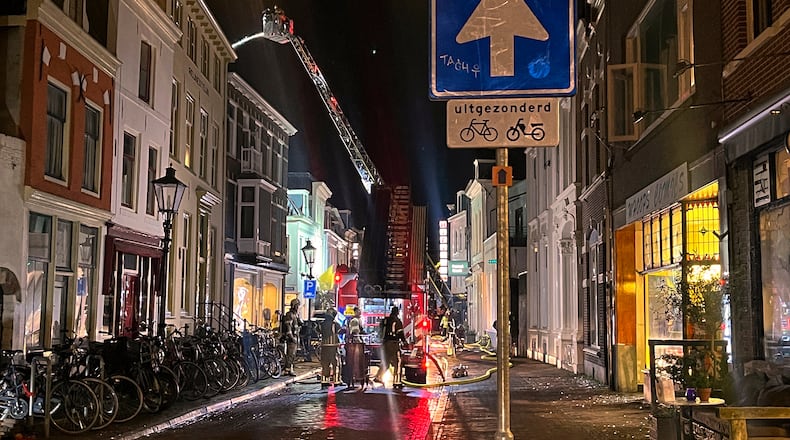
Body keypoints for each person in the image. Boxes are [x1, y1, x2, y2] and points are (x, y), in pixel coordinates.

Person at [374, 306, 407, 389]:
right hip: (393, 343)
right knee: (397, 362)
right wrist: (405, 342)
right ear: (397, 312)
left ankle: (378, 377)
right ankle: (396, 381)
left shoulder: (385, 320)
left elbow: (380, 330)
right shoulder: (397, 321)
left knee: (386, 362)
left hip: (385, 343)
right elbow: (400, 333)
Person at [320, 308, 342, 387]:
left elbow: (318, 330)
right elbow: (339, 329)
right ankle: (336, 380)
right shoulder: (335, 324)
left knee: (325, 363)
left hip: (324, 346)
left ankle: (325, 380)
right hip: (333, 346)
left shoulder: (322, 324)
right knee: (336, 363)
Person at [281, 299, 302, 376]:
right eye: (297, 306)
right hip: (291, 337)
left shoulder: (295, 315)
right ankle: (287, 369)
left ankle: (289, 369)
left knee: (293, 354)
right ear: (293, 306)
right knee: (290, 354)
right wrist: (291, 337)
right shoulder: (289, 315)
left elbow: (299, 324)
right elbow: (288, 327)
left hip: (296, 336)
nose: (298, 307)